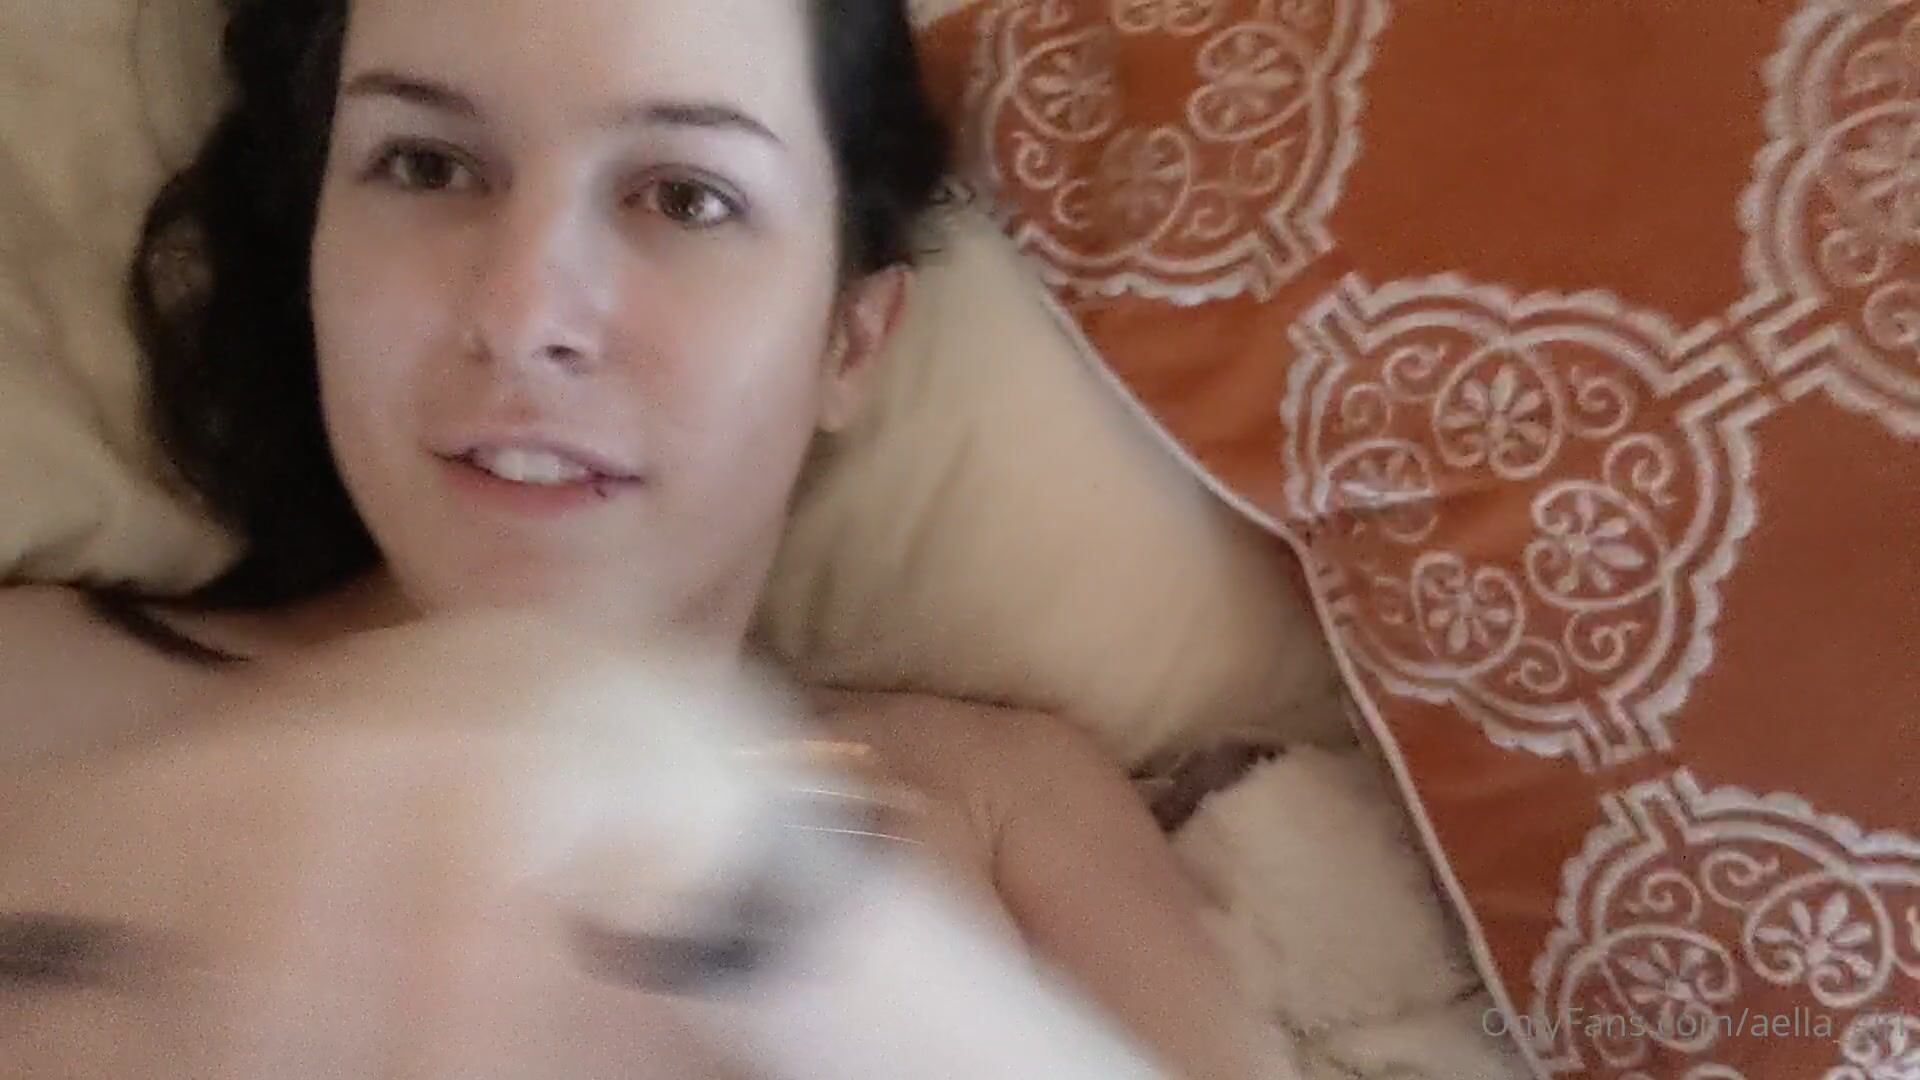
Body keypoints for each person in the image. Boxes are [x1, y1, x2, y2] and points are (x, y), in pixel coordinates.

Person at [0, 0, 1273, 1075]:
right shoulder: (38, 704)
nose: (524, 314)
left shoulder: (1004, 809)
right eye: (427, 166)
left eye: (685, 197)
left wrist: (777, 921)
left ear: (851, 338)